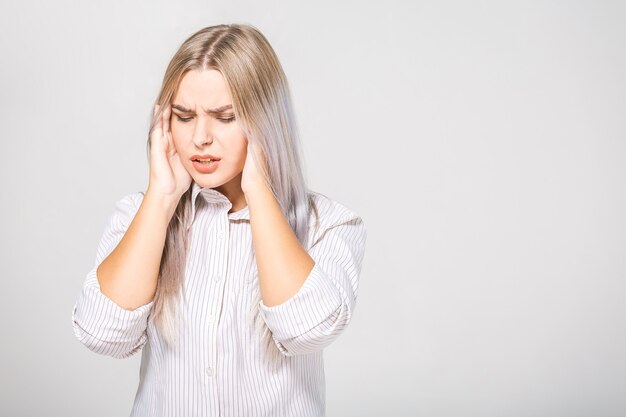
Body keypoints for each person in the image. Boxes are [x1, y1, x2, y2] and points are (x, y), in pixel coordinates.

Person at [71, 23, 367, 417]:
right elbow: (101, 333)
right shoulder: (139, 217)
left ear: (265, 121)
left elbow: (306, 331)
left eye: (225, 117)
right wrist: (160, 198)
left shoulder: (326, 224)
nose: (200, 138)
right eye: (184, 116)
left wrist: (259, 189)